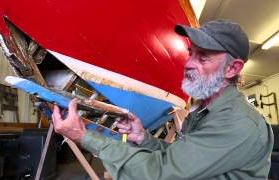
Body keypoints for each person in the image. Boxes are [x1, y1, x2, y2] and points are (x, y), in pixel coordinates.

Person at [52, 20, 274, 179]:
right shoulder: (205, 109)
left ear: (232, 68)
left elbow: (161, 172)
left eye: (203, 57)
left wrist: (83, 136)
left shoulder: (236, 123)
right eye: (191, 53)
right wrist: (144, 138)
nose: (188, 64)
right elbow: (179, 158)